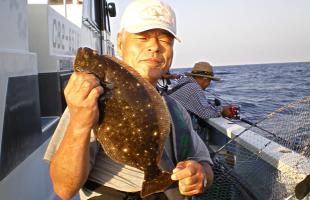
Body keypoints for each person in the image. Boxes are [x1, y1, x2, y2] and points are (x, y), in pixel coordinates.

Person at [44, 0, 214, 200]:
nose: (155, 47)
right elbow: (63, 188)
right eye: (142, 38)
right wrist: (80, 122)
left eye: (165, 41)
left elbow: (204, 164)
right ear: (120, 43)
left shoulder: (176, 108)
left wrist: (200, 175)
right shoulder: (90, 101)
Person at [168, 62, 236, 144]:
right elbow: (206, 113)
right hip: (175, 133)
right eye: (210, 80)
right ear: (205, 79)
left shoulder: (183, 82)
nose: (209, 84)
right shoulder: (194, 88)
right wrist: (222, 110)